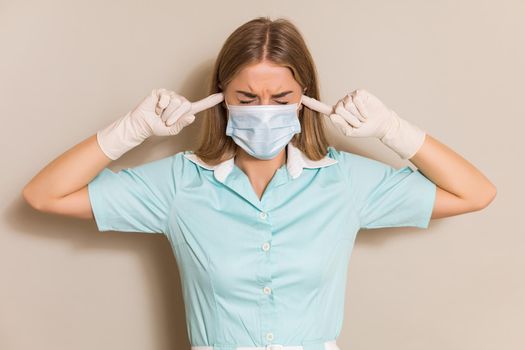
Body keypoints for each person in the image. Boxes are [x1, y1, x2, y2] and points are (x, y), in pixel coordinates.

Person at [22, 16, 496, 350]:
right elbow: (43, 195)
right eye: (247, 97)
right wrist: (131, 130)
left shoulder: (345, 181)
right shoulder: (178, 184)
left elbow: (475, 192)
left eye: (281, 97)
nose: (264, 110)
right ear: (220, 99)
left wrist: (392, 128)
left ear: (305, 99)